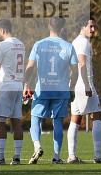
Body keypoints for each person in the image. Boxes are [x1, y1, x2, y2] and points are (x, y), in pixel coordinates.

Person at [21, 17, 74, 165]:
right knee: (57, 121)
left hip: (42, 88)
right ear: (62, 27)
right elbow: (75, 71)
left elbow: (30, 67)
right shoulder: (68, 46)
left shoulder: (39, 45)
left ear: (48, 26)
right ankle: (56, 156)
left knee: (35, 118)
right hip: (61, 89)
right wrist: (72, 86)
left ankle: (37, 146)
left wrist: (26, 84)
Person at [69, 17, 101, 163]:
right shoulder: (83, 42)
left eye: (94, 27)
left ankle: (72, 156)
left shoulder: (75, 41)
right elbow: (81, 63)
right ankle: (98, 155)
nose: (93, 30)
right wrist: (87, 85)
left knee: (76, 118)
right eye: (91, 26)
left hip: (75, 84)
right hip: (84, 84)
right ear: (83, 27)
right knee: (97, 117)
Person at [0, 19, 27, 164]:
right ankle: (17, 157)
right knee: (16, 122)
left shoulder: (2, 45)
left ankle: (0, 157)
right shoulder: (20, 44)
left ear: (2, 30)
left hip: (5, 86)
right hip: (17, 86)